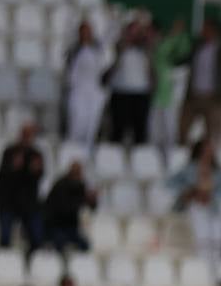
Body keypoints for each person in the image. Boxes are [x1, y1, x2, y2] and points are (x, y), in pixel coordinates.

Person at [168, 139, 221, 281]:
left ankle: (216, 269)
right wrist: (189, 192)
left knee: (217, 238)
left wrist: (212, 196)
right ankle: (201, 270)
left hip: (213, 207)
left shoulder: (219, 172)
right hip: (195, 206)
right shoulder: (189, 169)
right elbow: (170, 184)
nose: (208, 154)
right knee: (201, 238)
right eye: (205, 150)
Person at [105, 18, 154, 146]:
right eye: (132, 31)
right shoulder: (121, 45)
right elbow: (120, 47)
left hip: (140, 92)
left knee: (140, 130)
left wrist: (142, 38)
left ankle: (140, 157)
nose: (134, 34)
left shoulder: (146, 47)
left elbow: (151, 53)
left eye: (137, 31)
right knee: (118, 129)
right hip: (121, 91)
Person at [0, 123, 45, 251]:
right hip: (9, 201)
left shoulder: (36, 154)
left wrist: (35, 170)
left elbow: (40, 176)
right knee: (5, 237)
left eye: (30, 136)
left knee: (37, 236)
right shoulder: (10, 151)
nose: (27, 138)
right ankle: (5, 259)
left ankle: (32, 260)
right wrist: (14, 167)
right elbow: (2, 177)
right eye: (25, 135)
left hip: (28, 203)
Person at [149, 17, 192, 154]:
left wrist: (179, 34)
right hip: (155, 96)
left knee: (170, 130)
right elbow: (161, 51)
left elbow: (183, 48)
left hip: (170, 96)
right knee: (154, 131)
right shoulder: (158, 54)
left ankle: (170, 157)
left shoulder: (171, 63)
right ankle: (153, 158)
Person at [179, 18, 221, 143]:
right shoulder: (197, 47)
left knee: (211, 134)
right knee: (182, 131)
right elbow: (181, 59)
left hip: (212, 98)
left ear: (214, 31)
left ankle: (207, 159)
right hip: (193, 96)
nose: (203, 32)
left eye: (206, 29)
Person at [64, 21, 108, 150]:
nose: (86, 34)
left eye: (88, 31)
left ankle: (87, 152)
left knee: (92, 125)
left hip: (94, 90)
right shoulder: (74, 49)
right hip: (78, 90)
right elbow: (69, 67)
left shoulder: (97, 49)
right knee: (77, 122)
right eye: (83, 31)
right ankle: (73, 150)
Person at [43, 161, 98, 255]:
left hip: (71, 227)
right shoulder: (60, 185)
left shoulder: (80, 186)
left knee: (84, 246)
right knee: (60, 244)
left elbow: (91, 207)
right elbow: (63, 209)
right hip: (56, 226)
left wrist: (92, 200)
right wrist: (84, 200)